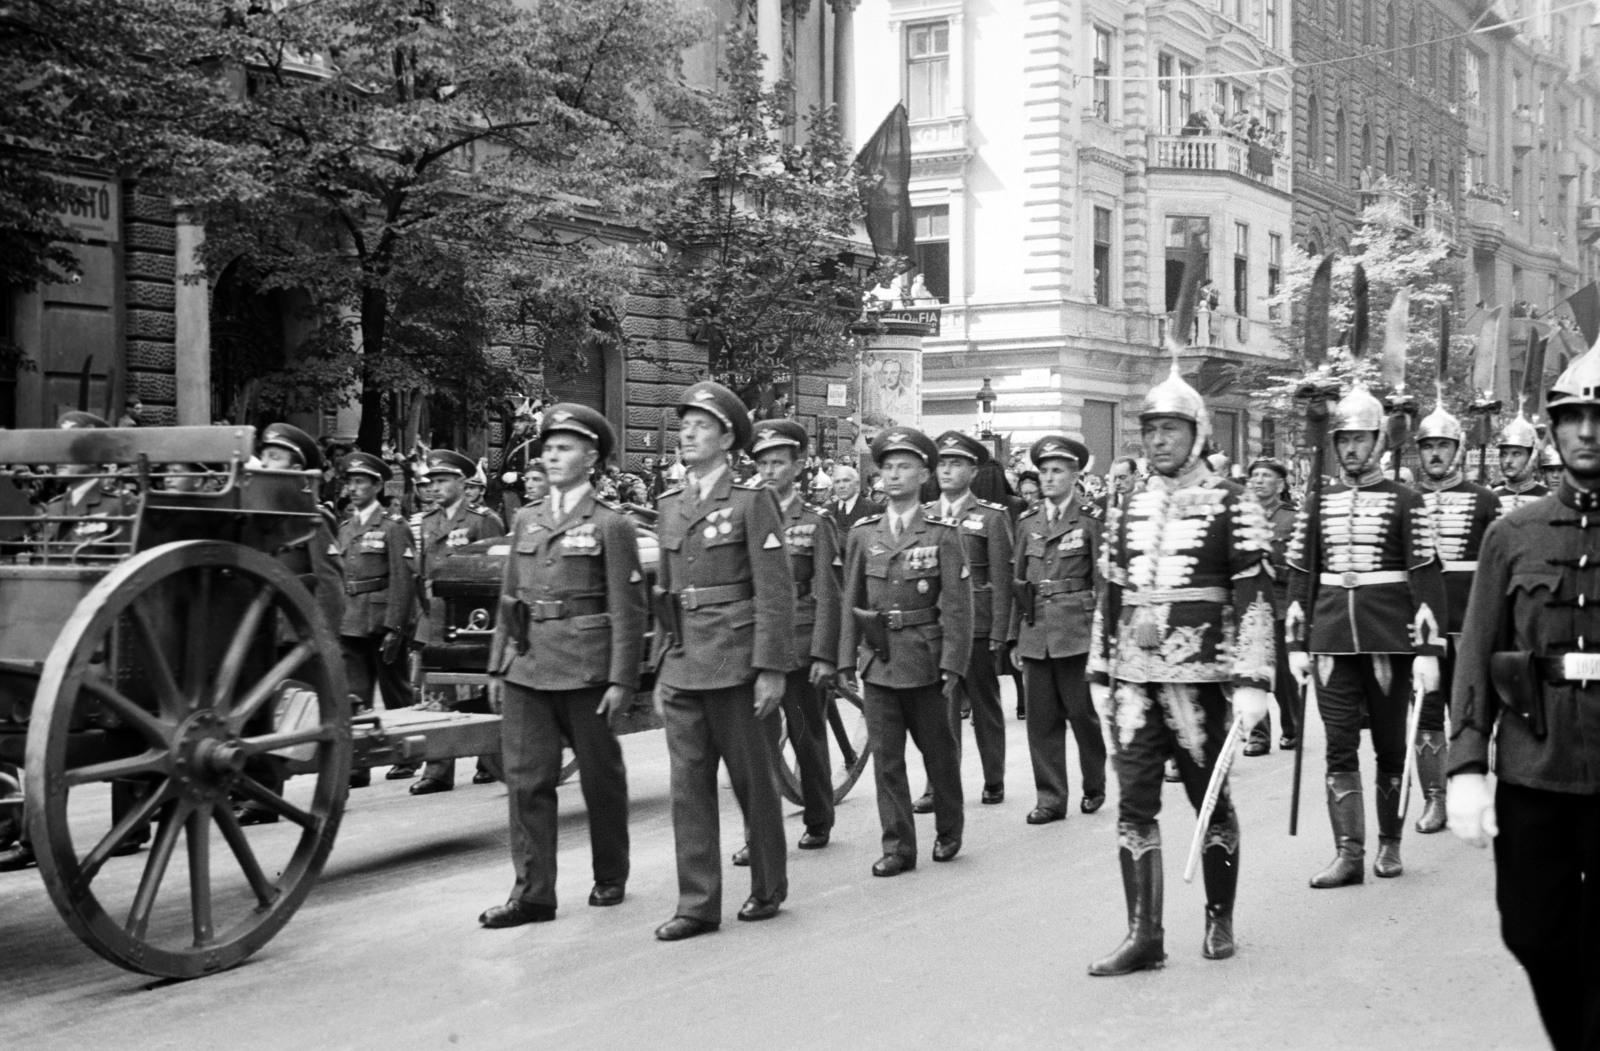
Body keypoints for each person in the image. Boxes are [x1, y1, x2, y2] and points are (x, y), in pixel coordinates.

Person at [1085, 361, 1275, 975]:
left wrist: (1252, 679)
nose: (1157, 439)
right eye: (1150, 429)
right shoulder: (1126, 504)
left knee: (1209, 801)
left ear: (1198, 432)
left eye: (1170, 428)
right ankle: (1145, 934)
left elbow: (1254, 593)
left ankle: (1220, 916)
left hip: (1203, 679)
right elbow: (1109, 592)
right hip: (1135, 679)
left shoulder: (1235, 502)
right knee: (1133, 803)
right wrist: (1099, 669)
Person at [1448, 338, 1600, 1051]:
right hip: (1535, 764)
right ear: (1555, 429)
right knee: (1533, 930)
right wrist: (1467, 763)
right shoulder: (1514, 532)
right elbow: (1476, 650)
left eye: (1598, 419)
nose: (1588, 432)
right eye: (1573, 418)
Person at [478, 405, 645, 928]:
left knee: (600, 779)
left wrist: (622, 679)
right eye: (548, 447)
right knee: (527, 782)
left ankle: (611, 873)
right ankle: (532, 894)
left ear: (592, 458)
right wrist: (497, 664)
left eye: (565, 447)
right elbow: (510, 597)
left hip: (586, 669)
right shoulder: (526, 518)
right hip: (528, 665)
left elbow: (628, 608)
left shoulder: (611, 524)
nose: (552, 455)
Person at [650, 381, 796, 941]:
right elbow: (664, 591)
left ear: (728, 438)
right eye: (684, 424)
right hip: (684, 661)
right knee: (688, 788)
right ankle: (697, 903)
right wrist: (662, 658)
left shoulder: (751, 501)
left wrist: (772, 668)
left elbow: (775, 590)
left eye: (700, 426)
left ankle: (767, 885)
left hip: (736, 663)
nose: (687, 434)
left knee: (753, 782)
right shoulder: (669, 505)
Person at [1286, 382, 1446, 888]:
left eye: (1360, 439)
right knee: (1337, 746)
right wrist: (1294, 642)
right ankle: (1348, 854)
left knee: (1391, 746)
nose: (1351, 448)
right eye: (1344, 440)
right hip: (1331, 637)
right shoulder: (1317, 500)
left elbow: (1425, 574)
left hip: (1388, 639)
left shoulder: (1406, 499)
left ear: (1378, 440)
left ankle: (1390, 844)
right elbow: (1300, 576)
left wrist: (1427, 650)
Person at [838, 428, 972, 877]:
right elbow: (850, 602)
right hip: (879, 662)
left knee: (938, 752)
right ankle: (898, 845)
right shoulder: (863, 534)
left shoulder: (942, 534)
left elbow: (956, 606)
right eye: (888, 467)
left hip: (925, 660)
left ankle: (949, 828)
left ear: (925, 474)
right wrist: (843, 661)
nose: (894, 475)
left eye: (904, 467)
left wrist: (953, 662)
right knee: (887, 760)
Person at [907, 432, 1012, 813]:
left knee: (984, 704)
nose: (947, 470)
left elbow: (1001, 578)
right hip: (936, 625)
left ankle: (993, 777)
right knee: (938, 712)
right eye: (942, 463)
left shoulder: (990, 517)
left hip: (979, 625)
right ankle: (939, 784)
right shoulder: (923, 514)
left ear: (973, 470)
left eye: (956, 463)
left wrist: (1002, 631)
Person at [750, 419, 841, 850]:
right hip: (759, 641)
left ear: (799, 466)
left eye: (778, 462)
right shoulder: (746, 514)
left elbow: (828, 591)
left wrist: (826, 654)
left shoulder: (815, 523)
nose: (769, 471)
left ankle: (819, 818)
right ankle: (760, 834)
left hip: (802, 641)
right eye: (763, 462)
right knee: (757, 745)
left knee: (807, 736)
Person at [1409, 397, 1499, 834]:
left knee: (1465, 711)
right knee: (1425, 713)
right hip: (1421, 625)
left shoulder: (1484, 499)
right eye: (1429, 446)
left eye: (1444, 445)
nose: (1436, 454)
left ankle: (1470, 787)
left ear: (1459, 448)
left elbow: (1497, 568)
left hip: (1468, 621)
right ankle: (1433, 799)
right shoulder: (1406, 500)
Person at [1009, 434, 1106, 825]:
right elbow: (1017, 581)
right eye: (1043, 471)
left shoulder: (1091, 519)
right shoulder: (1027, 522)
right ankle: (1050, 797)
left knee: (1082, 714)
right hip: (1036, 630)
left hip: (1077, 630)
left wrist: (1103, 635)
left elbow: (1103, 581)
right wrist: (1015, 634)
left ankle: (1094, 783)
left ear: (1074, 474)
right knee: (1041, 720)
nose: (1048, 479)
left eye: (1056, 471)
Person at [409, 449, 507, 795]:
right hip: (435, 616)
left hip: (475, 619)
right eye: (430, 482)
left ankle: (489, 758)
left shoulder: (483, 520)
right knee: (435, 693)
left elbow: (498, 571)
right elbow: (419, 574)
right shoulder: (424, 522)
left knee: (482, 690)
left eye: (442, 481)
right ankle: (437, 769)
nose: (434, 488)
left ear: (463, 484)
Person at [335, 452, 418, 788]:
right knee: (354, 696)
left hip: (383, 619)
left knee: (396, 691)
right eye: (350, 482)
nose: (353, 489)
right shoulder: (345, 528)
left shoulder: (394, 527)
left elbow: (403, 578)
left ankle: (409, 755)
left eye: (360, 482)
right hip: (350, 619)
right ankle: (358, 763)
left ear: (378, 485)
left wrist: (396, 626)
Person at [1243, 457, 1299, 756]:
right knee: (1252, 671)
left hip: (1278, 603)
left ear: (1280, 484)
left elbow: (1300, 568)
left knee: (1283, 674)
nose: (1259, 480)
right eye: (1256, 475)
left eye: (1267, 476)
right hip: (1247, 604)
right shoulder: (1239, 516)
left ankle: (1292, 726)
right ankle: (1258, 734)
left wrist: (1272, 567)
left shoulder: (1292, 518)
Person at [1493, 409, 1549, 513]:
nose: (1508, 461)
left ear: (1532, 456)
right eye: (1504, 454)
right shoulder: (1490, 498)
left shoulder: (1549, 498)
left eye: (1516, 454)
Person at [830, 465, 874, 531]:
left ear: (857, 484)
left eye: (846, 480)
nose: (841, 486)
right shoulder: (827, 511)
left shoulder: (873, 509)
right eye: (837, 482)